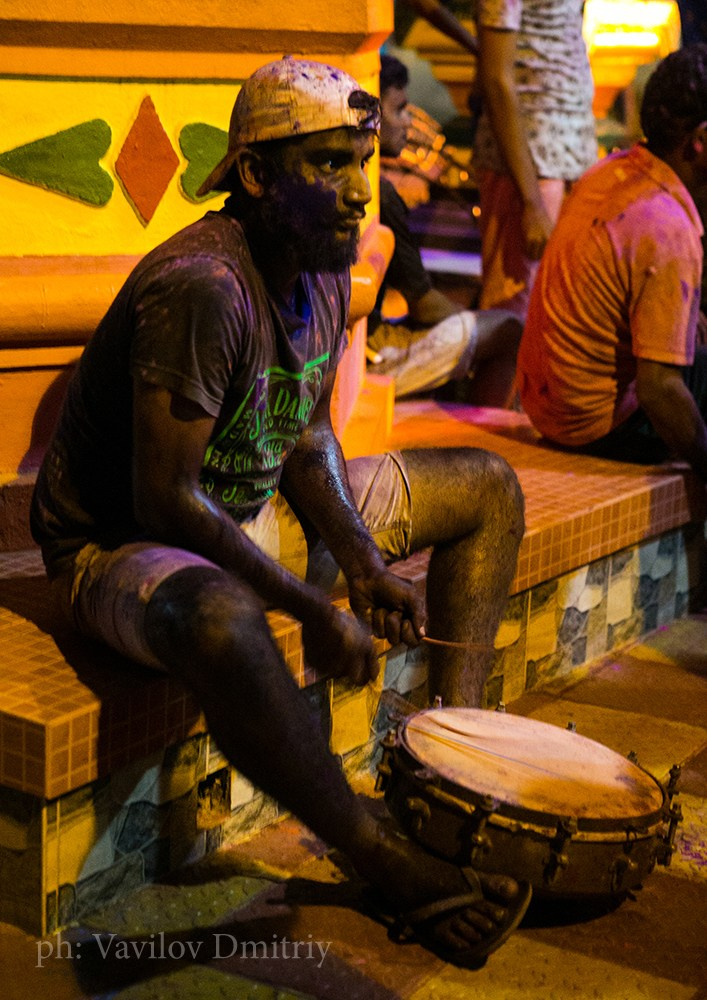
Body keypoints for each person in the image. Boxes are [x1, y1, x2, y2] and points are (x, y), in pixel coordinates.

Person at [30, 57, 530, 967]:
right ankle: (378, 855)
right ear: (256, 177)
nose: (353, 193)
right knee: (222, 618)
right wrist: (314, 607)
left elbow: (301, 437)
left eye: (359, 163)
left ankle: (454, 777)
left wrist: (364, 562)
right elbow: (165, 500)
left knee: (488, 485)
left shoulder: (320, 265)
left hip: (242, 510)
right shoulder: (203, 287)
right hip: (120, 547)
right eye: (327, 165)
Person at [517, 44, 707, 482]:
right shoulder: (669, 227)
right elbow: (659, 391)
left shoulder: (609, 171)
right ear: (699, 141)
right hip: (598, 429)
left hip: (546, 410)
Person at [367, 53, 522, 405]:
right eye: (399, 109)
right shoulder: (381, 194)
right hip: (369, 357)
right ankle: (485, 434)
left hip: (358, 344)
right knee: (508, 330)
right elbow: (425, 307)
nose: (407, 122)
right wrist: (471, 321)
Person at [473, 0, 597, 319]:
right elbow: (496, 78)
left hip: (571, 154)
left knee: (558, 316)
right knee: (513, 320)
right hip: (530, 164)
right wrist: (531, 202)